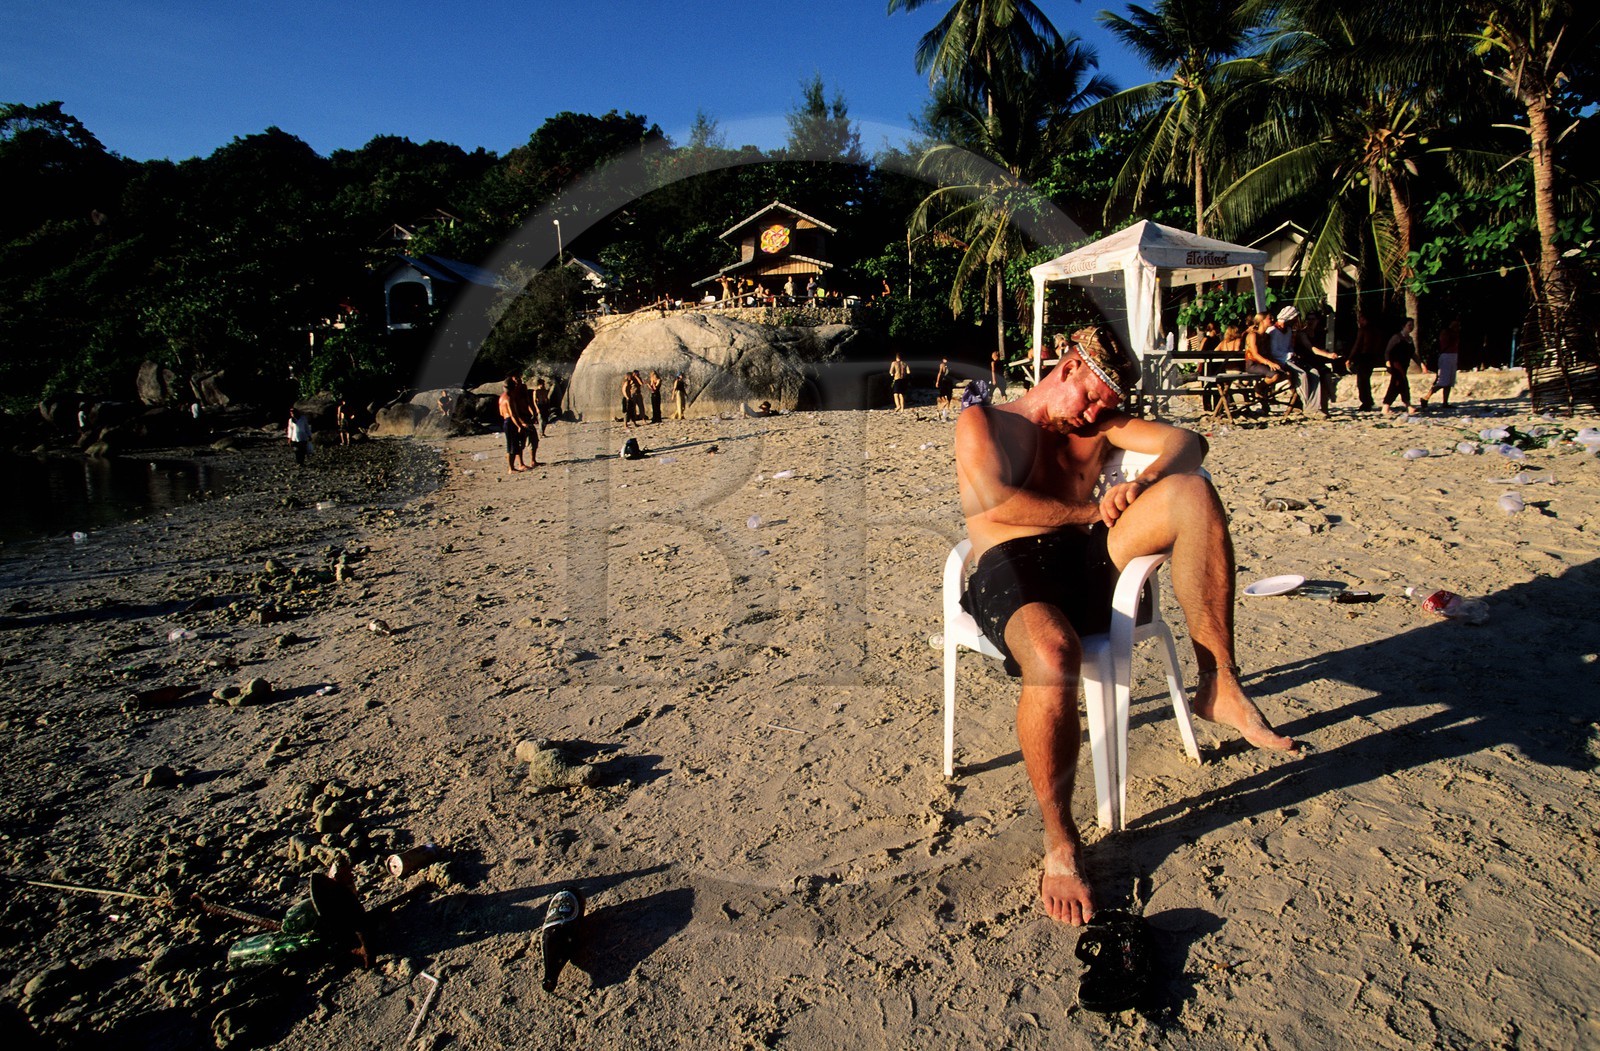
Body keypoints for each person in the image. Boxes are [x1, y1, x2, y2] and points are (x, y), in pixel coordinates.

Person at [953, 324, 1298, 926]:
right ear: (1066, 366)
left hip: (1090, 555)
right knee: (1054, 654)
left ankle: (1217, 681)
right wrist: (1094, 508)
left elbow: (1189, 441)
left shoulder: (1100, 426)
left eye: (1105, 407)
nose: (1092, 413)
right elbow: (995, 504)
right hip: (1011, 564)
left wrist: (1143, 480)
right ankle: (1060, 839)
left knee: (1190, 493)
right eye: (1089, 397)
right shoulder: (984, 421)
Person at [1269, 306, 1321, 415]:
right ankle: (1306, 404)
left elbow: (1288, 347)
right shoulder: (1273, 331)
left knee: (1314, 373)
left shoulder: (1287, 331)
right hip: (1280, 360)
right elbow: (1273, 352)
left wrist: (1292, 354)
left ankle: (1314, 406)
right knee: (1302, 375)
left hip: (1290, 358)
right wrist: (1289, 355)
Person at [1243, 312, 1288, 415]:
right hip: (1252, 364)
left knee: (1287, 374)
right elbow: (1255, 354)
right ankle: (1259, 387)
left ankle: (1262, 390)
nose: (1272, 319)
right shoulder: (1253, 335)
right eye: (1269, 318)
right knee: (1275, 376)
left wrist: (1275, 362)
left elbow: (1268, 353)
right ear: (1262, 321)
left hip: (1263, 364)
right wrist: (1269, 363)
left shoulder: (1266, 336)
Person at [1418, 317, 1461, 412]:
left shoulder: (1454, 333)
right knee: (1442, 381)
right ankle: (1426, 397)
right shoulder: (1446, 333)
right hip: (1446, 356)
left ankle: (1445, 402)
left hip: (1453, 356)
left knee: (1449, 382)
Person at [1383, 318, 1423, 416]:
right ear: (1403, 326)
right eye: (1409, 325)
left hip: (1404, 365)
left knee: (1396, 385)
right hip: (1396, 364)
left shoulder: (1409, 339)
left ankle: (1386, 406)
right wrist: (1388, 363)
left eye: (1412, 325)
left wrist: (1421, 365)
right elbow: (1388, 351)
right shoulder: (1397, 337)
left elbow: (1413, 354)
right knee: (1402, 383)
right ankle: (1408, 406)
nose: (1411, 327)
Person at [1344, 313, 1384, 411]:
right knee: (1366, 380)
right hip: (1372, 357)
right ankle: (1368, 401)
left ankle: (1366, 401)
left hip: (1364, 357)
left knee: (1362, 381)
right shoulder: (1376, 331)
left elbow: (1357, 345)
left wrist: (1350, 358)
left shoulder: (1364, 330)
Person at [499, 375, 535, 471]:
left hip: (506, 421)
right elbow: (513, 415)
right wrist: (519, 425)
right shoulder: (509, 398)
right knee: (512, 446)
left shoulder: (501, 397)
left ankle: (514, 467)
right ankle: (511, 469)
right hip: (511, 422)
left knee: (512, 445)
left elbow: (501, 413)